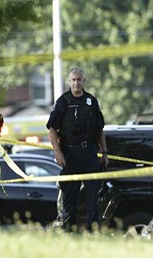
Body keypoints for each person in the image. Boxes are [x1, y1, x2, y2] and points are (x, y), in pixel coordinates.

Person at [47, 67, 109, 230]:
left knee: (92, 198)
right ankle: (69, 231)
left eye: (79, 79)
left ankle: (93, 232)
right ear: (69, 81)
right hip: (70, 153)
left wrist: (104, 152)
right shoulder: (63, 102)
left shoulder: (91, 101)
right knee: (70, 197)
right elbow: (52, 129)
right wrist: (57, 152)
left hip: (89, 153)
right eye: (73, 80)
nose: (76, 83)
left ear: (84, 81)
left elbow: (99, 129)